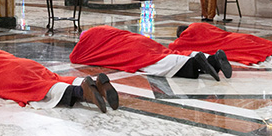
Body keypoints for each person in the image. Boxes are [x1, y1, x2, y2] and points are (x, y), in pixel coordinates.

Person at [0, 49, 118, 113]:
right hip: (26, 64)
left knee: (41, 88)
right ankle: (95, 84)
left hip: (13, 74)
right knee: (54, 77)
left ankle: (83, 93)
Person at [69, 25, 232, 81]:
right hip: (138, 39)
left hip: (131, 49)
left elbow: (75, 57)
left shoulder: (90, 44)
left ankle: (195, 62)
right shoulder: (104, 30)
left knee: (155, 63)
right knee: (164, 52)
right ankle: (213, 60)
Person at [172, 22, 272, 69]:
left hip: (232, 45)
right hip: (236, 37)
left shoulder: (186, 37)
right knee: (268, 44)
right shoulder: (199, 25)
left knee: (265, 52)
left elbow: (173, 48)